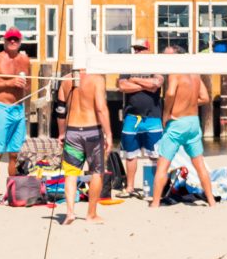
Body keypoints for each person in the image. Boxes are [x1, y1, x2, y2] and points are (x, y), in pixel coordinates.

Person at [0, 28, 33, 202]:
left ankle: (12, 187)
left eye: (15, 39)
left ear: (20, 41)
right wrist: (9, 82)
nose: (12, 42)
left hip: (18, 109)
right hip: (1, 108)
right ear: (4, 40)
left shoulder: (25, 60)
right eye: (9, 39)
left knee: (14, 153)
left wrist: (25, 88)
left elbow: (29, 85)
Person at [148, 70, 216, 205]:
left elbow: (170, 93)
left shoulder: (175, 73)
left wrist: (166, 114)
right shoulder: (196, 74)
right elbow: (205, 98)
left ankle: (155, 203)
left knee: (162, 165)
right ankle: (211, 200)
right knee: (200, 165)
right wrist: (186, 102)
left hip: (177, 123)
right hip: (193, 122)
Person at [57, 60, 109, 223]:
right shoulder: (97, 79)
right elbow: (100, 108)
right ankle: (91, 214)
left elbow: (60, 110)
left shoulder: (66, 79)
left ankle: (70, 212)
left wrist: (61, 132)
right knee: (96, 172)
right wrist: (108, 133)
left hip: (72, 131)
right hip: (92, 130)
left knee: (71, 174)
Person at [115, 59, 164, 198]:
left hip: (153, 118)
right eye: (135, 49)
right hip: (131, 117)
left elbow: (156, 83)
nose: (137, 52)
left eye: (141, 49)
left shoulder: (155, 64)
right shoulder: (127, 66)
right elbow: (123, 86)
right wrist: (146, 86)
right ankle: (130, 187)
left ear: (148, 52)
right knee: (130, 155)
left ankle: (156, 187)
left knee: (155, 154)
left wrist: (134, 80)